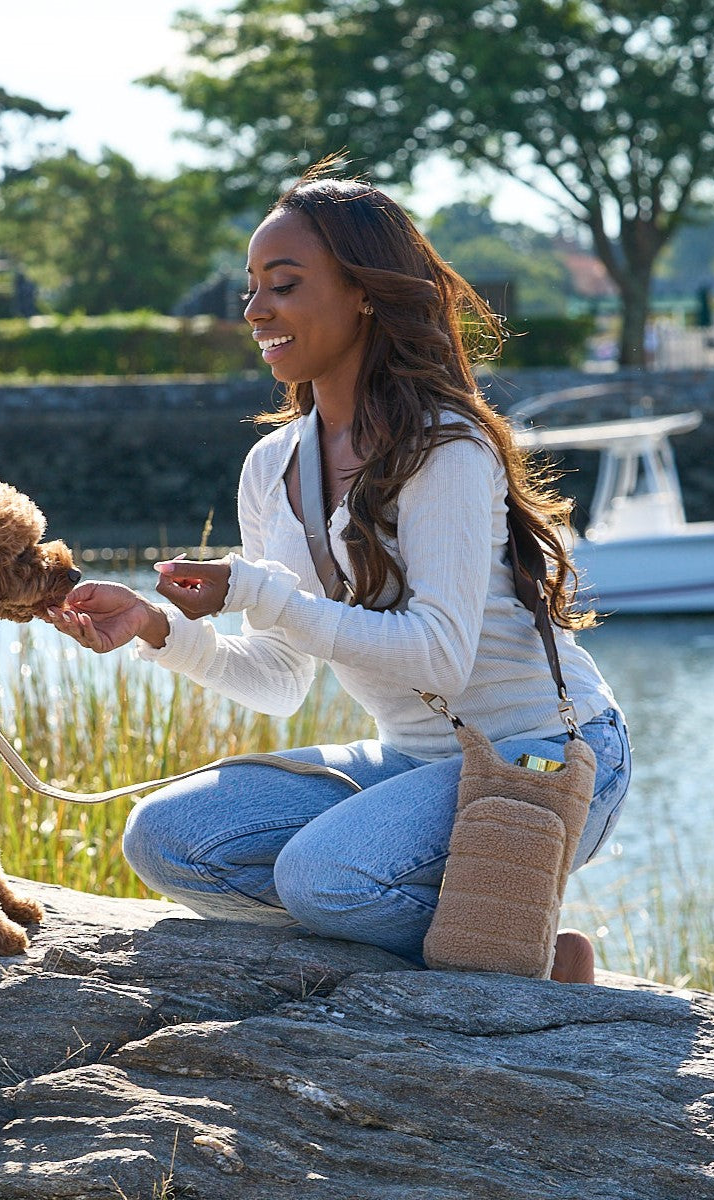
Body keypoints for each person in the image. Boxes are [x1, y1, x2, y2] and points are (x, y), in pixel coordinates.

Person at [44, 167, 631, 985]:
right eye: (250, 289)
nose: (255, 310)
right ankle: (501, 934)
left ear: (363, 293)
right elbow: (280, 678)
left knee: (324, 877)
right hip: (412, 763)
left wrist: (252, 591)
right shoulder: (272, 466)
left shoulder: (447, 448)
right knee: (165, 838)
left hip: (543, 758)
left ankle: (513, 946)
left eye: (282, 286)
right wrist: (155, 625)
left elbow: (438, 659)